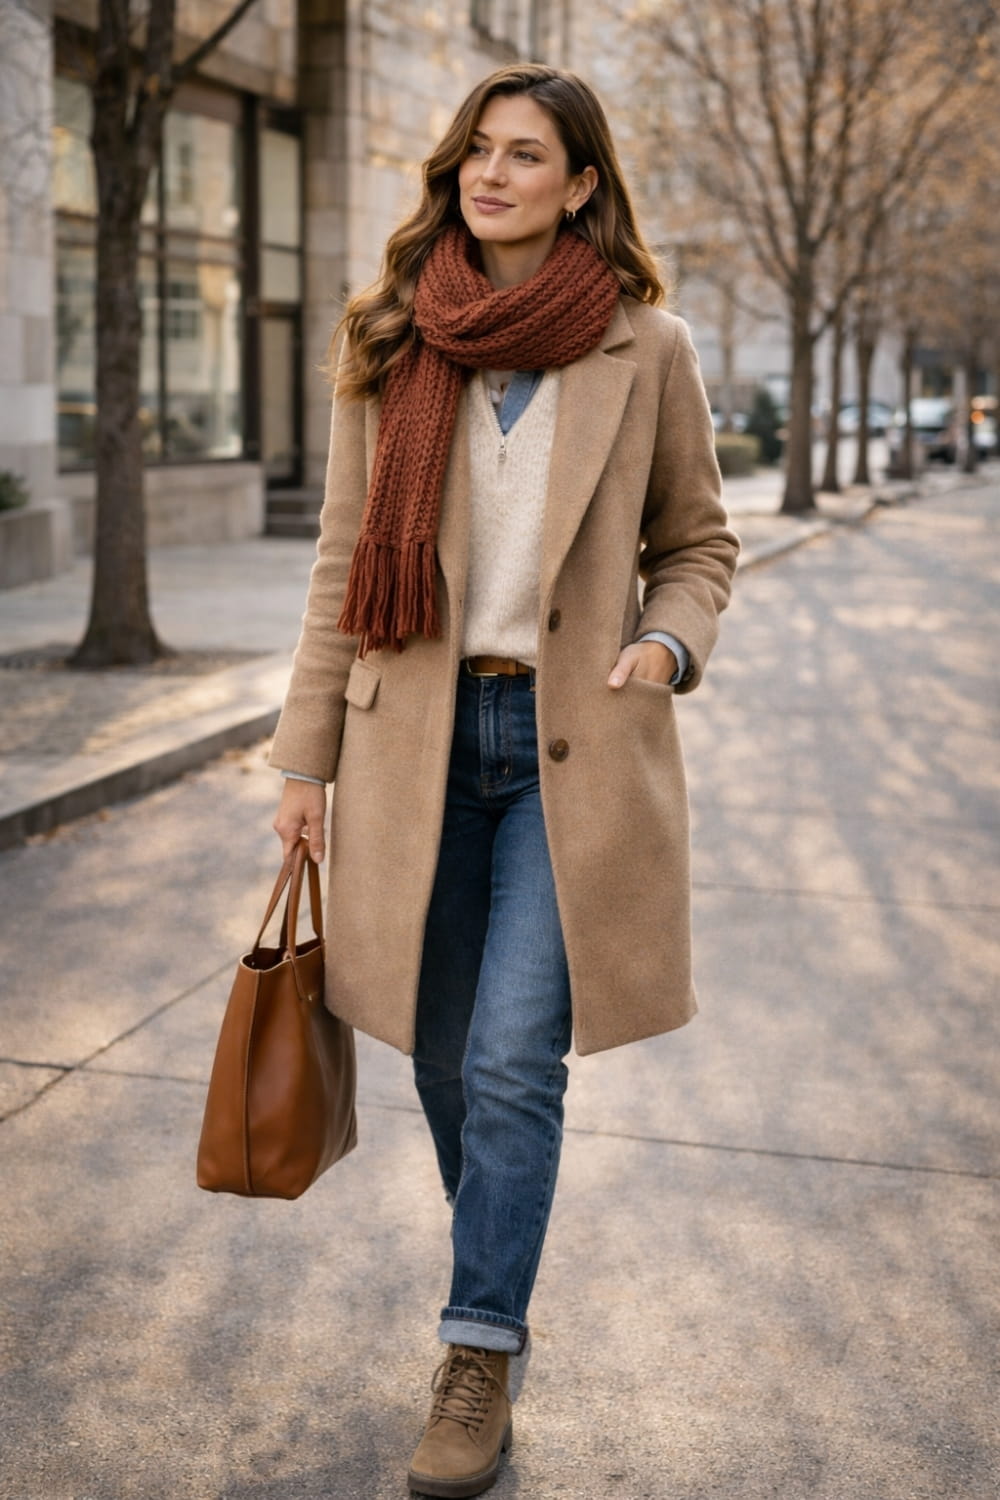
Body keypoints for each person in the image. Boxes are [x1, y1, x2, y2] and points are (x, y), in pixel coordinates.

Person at [270, 62, 739, 1499]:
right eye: (477, 149)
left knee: (510, 1061)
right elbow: (345, 566)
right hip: (412, 746)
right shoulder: (394, 336)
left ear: (581, 183)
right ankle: (499, 1259)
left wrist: (668, 640)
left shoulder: (646, 349)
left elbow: (698, 542)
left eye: (526, 154)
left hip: (567, 751)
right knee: (437, 1055)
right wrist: (303, 761)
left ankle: (477, 1350)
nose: (490, 173)